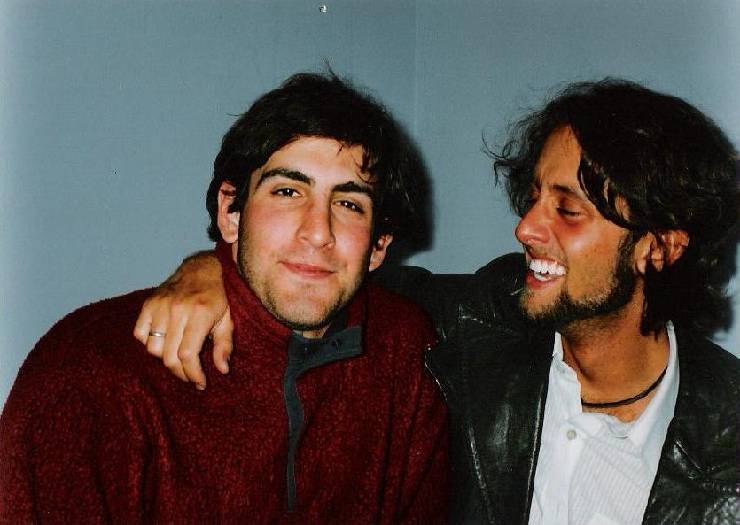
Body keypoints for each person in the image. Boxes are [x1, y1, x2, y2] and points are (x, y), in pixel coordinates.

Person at [135, 79, 739, 524]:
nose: (526, 228)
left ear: (660, 247)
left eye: (568, 209)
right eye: (532, 198)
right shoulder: (473, 325)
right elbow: (323, 280)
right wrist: (211, 267)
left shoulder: (727, 439)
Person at [0, 72, 449, 523]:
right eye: (288, 191)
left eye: (349, 204)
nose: (318, 232)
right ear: (230, 212)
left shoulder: (405, 350)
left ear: (379, 245)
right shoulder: (92, 369)